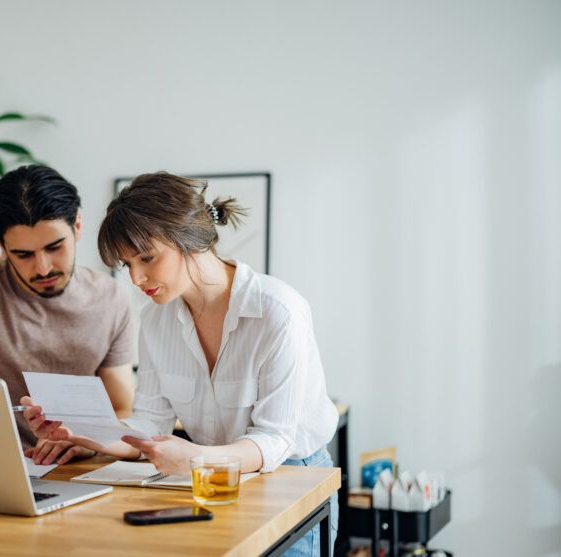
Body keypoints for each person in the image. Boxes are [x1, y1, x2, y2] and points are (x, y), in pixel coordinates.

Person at [23, 172, 338, 557]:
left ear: (186, 237)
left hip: (293, 478)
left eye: (147, 258)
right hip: (207, 480)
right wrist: (78, 432)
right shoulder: (156, 320)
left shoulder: (278, 311)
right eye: (127, 265)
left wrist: (198, 458)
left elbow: (274, 440)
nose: (137, 278)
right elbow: (149, 424)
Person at [0, 165, 136, 466]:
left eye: (54, 247)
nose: (43, 268)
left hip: (83, 470)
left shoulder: (110, 298)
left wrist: (88, 444)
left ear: (77, 226)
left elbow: (122, 409)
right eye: (23, 255)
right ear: (3, 248)